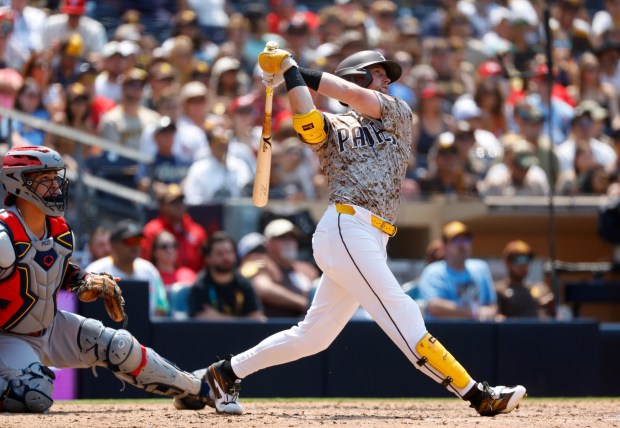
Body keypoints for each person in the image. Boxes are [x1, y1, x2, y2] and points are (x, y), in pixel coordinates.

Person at [202, 44, 526, 417]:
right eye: (378, 73)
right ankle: (478, 395)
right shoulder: (335, 124)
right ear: (355, 74)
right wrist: (289, 74)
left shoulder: (398, 114)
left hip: (370, 236)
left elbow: (352, 94)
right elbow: (306, 120)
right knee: (404, 315)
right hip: (346, 225)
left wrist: (292, 68)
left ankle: (225, 373)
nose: (387, 80)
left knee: (314, 336)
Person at [0, 146, 239, 414]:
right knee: (34, 394)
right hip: (8, 336)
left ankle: (196, 389)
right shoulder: (3, 237)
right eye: (44, 179)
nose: (54, 186)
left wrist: (84, 280)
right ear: (18, 182)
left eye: (55, 178)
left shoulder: (59, 228)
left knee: (120, 347)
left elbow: (57, 269)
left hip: (50, 325)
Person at [86, 219, 169, 318]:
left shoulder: (149, 271)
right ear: (113, 244)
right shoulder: (95, 271)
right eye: (130, 241)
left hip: (143, 331)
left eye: (138, 240)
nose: (135, 245)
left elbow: (161, 308)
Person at [417, 221, 499, 320]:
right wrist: (475, 312)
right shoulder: (433, 271)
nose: (462, 245)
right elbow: (434, 306)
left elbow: (492, 304)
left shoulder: (481, 268)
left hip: (478, 332)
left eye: (466, 240)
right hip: (443, 332)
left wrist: (491, 312)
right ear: (444, 246)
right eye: (456, 240)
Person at [241, 218, 318, 318]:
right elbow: (263, 289)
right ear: (268, 243)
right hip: (275, 327)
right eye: (282, 237)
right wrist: (303, 304)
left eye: (292, 237)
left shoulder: (307, 269)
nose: (289, 241)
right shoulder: (258, 263)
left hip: (309, 328)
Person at [188, 231, 265, 321]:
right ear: (208, 258)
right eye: (219, 253)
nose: (226, 257)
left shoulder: (243, 283)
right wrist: (242, 320)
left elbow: (257, 318)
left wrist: (218, 318)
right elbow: (199, 319)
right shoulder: (200, 286)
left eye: (229, 252)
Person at [140, 183, 207, 274]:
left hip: (193, 282)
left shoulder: (197, 231)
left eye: (181, 201)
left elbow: (206, 262)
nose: (179, 206)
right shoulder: (151, 231)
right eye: (173, 202)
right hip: (161, 281)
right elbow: (145, 262)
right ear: (162, 206)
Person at [495, 240, 553, 319]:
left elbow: (553, 318)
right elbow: (493, 317)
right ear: (506, 263)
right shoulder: (498, 290)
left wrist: (549, 308)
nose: (522, 264)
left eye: (526, 259)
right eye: (517, 259)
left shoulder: (541, 289)